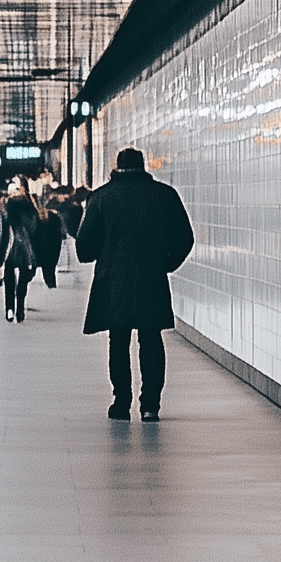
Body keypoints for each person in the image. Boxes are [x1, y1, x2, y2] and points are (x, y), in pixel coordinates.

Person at [76, 147, 194, 421]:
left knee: (118, 340)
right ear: (143, 167)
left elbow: (85, 247)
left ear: (117, 167)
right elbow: (185, 238)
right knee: (151, 338)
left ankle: (121, 402)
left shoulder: (101, 197)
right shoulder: (165, 196)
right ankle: (151, 405)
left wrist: (100, 253)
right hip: (151, 278)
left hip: (113, 279)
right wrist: (166, 264)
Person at [0, 177, 39, 324]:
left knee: (9, 278)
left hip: (12, 249)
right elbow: (37, 233)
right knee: (23, 280)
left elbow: (4, 237)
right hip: (28, 251)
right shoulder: (32, 209)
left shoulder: (9, 208)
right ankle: (20, 310)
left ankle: (9, 308)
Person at [32, 197, 65, 289]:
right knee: (49, 269)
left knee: (47, 269)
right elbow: (60, 234)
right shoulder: (55, 218)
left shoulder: (37, 219)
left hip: (45, 247)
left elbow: (35, 235)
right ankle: (51, 286)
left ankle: (51, 286)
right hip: (51, 247)